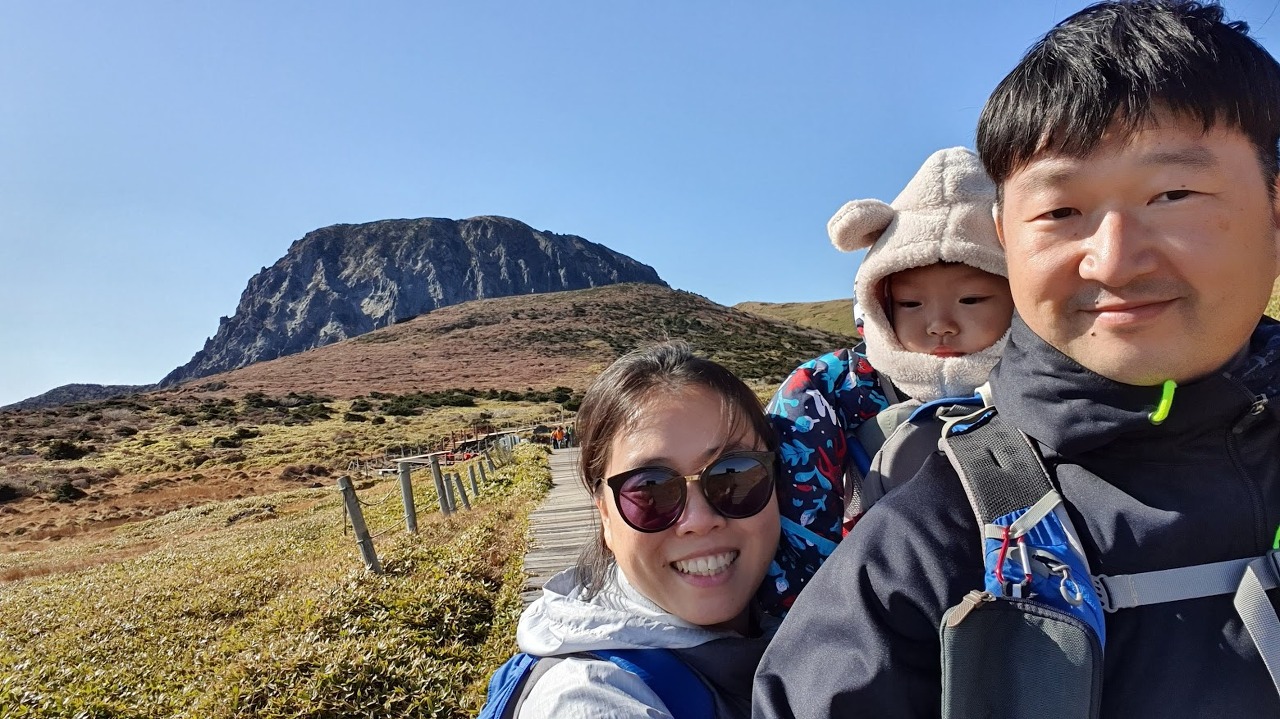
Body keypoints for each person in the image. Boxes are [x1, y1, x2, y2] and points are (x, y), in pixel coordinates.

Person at [753, 2, 1280, 716]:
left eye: (1172, 194)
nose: (1113, 260)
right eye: (1061, 211)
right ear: (1007, 237)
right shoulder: (921, 552)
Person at [759, 146, 1013, 615]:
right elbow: (798, 531)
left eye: (972, 300)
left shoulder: (1051, 382)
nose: (939, 325)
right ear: (879, 304)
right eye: (911, 304)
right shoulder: (832, 391)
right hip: (869, 605)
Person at [484, 342, 781, 719]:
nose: (699, 520)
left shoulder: (809, 610)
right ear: (605, 516)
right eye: (651, 489)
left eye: (734, 474)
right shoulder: (585, 697)